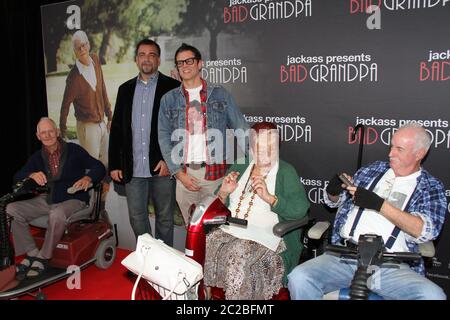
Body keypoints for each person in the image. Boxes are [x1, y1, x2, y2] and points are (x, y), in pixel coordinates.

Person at [288, 123, 447, 300]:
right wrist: (334, 193)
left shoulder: (430, 187)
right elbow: (338, 202)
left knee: (433, 295)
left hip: (391, 265)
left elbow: (425, 231)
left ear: (419, 154)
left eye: (399, 149)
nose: (390, 153)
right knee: (299, 277)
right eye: (391, 146)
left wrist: (380, 205)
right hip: (346, 257)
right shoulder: (373, 170)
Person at [203, 122, 310, 299]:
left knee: (238, 254)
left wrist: (270, 198)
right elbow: (216, 205)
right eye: (259, 146)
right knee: (205, 241)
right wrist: (223, 192)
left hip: (268, 237)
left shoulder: (285, 171)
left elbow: (300, 210)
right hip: (231, 229)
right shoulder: (241, 165)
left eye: (270, 146)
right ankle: (204, 295)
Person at [158, 43, 249, 226]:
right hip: (184, 176)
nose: (184, 66)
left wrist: (254, 162)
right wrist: (178, 173)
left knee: (216, 229)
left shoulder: (220, 94)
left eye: (189, 61)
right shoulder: (169, 99)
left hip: (215, 176)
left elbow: (241, 129)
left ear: (200, 64)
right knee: (192, 231)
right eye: (180, 63)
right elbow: (163, 137)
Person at [7, 117, 105, 279]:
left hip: (74, 199)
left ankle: (44, 257)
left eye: (50, 131)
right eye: (43, 133)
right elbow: (17, 176)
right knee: (11, 209)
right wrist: (31, 174)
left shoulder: (74, 150)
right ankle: (32, 252)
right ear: (38, 136)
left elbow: (98, 166)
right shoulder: (37, 157)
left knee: (57, 214)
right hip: (49, 199)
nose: (47, 135)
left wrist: (88, 179)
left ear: (57, 132)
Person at [108, 39, 180, 246]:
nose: (146, 58)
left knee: (165, 219)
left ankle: (165, 262)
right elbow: (117, 129)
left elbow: (179, 129)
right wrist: (114, 164)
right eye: (142, 54)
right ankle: (148, 257)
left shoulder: (173, 87)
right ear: (136, 59)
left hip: (162, 167)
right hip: (133, 168)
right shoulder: (125, 89)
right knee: (137, 217)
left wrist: (169, 159)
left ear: (158, 59)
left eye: (151, 54)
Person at [59, 30, 113, 167]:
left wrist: (110, 116)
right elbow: (65, 105)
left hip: (102, 123)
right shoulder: (73, 77)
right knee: (91, 167)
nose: (82, 49)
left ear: (88, 45)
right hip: (87, 127)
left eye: (84, 45)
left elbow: (102, 88)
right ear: (75, 51)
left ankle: (101, 189)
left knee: (105, 162)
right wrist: (63, 131)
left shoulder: (95, 59)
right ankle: (90, 189)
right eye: (78, 47)